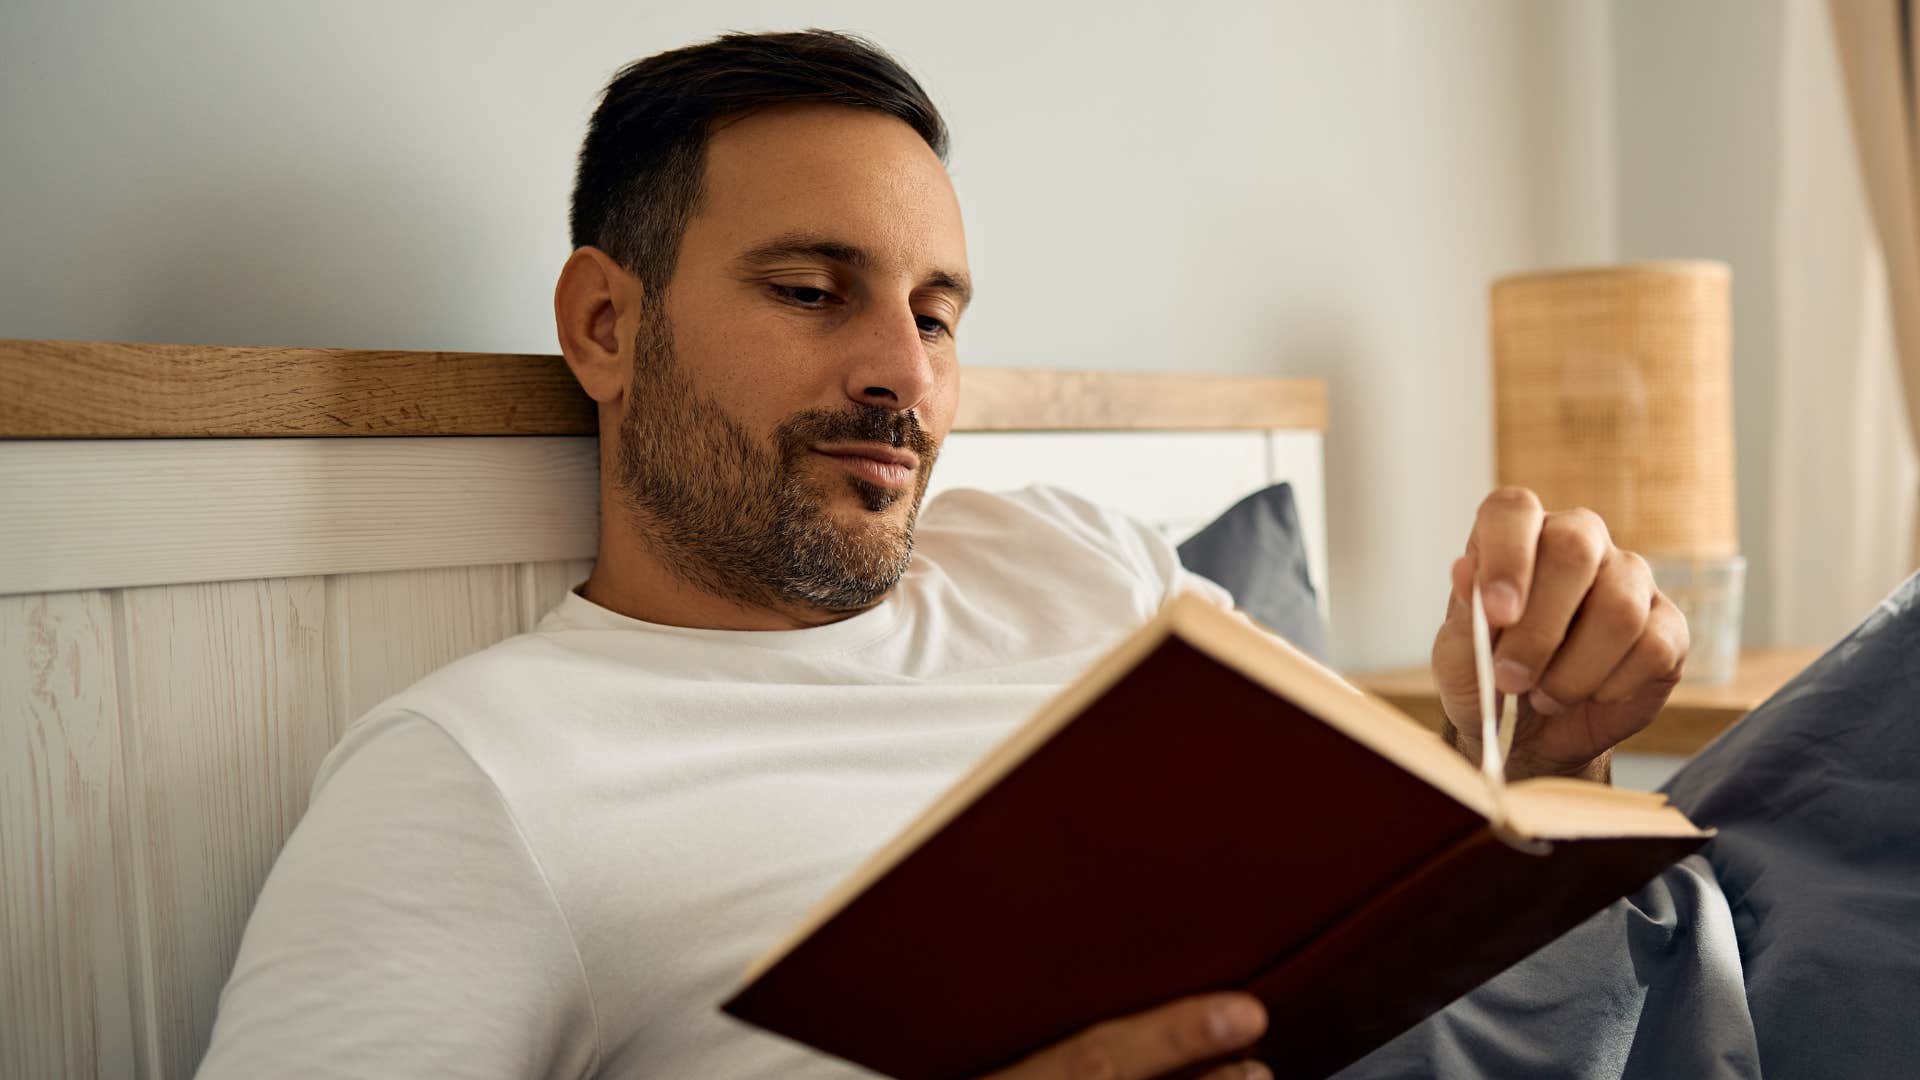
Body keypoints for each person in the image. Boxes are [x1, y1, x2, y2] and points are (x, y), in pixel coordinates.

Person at [196, 29, 1689, 1079]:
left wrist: (1517, 737)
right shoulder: (480, 776)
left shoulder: (1078, 562)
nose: (900, 373)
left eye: (936, 314)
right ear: (606, 325)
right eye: (809, 289)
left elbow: (1363, 895)